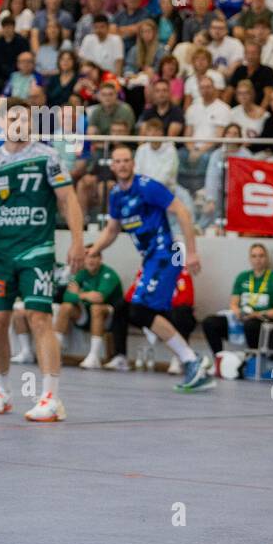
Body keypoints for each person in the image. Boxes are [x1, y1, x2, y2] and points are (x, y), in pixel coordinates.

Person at [0, 102, 85, 422]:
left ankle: (51, 397)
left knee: (38, 317)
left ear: (33, 124)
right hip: (0, 254)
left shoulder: (47, 156)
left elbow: (68, 200)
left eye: (24, 118)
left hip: (37, 250)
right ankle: (1, 391)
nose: (18, 122)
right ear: (2, 123)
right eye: (12, 117)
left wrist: (77, 241)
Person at [85, 144, 213, 393]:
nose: (121, 165)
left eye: (126, 161)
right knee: (148, 312)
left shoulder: (147, 186)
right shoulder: (116, 196)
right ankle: (192, 362)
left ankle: (191, 360)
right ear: (112, 166)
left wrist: (192, 251)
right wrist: (92, 250)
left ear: (133, 164)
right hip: (152, 258)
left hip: (167, 254)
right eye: (117, 162)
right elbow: (112, 230)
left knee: (140, 310)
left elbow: (183, 212)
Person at [200, 243, 273, 361]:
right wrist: (237, 312)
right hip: (241, 319)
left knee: (251, 324)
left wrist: (257, 314)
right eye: (254, 256)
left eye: (261, 256)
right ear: (250, 259)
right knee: (209, 322)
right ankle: (219, 359)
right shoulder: (242, 277)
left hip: (262, 321)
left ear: (267, 258)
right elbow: (233, 303)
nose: (258, 260)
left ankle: (255, 360)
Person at [59, 247, 125, 371]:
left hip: (111, 319)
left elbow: (99, 298)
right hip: (87, 315)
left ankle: (94, 356)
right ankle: (56, 352)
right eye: (88, 257)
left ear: (100, 259)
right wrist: (86, 295)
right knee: (65, 307)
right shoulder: (81, 273)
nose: (91, 260)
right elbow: (66, 296)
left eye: (94, 256)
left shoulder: (108, 274)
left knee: (96, 308)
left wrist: (79, 294)